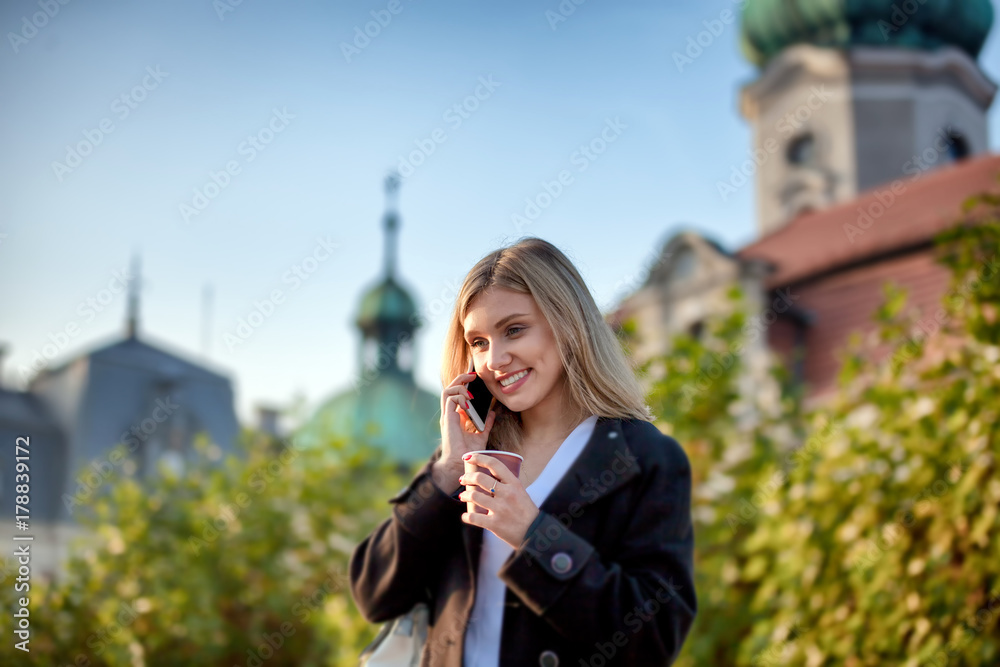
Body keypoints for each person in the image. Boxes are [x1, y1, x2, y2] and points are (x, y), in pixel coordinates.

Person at [349, 237, 697, 666]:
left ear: (568, 324)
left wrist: (535, 536)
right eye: (477, 342)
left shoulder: (645, 459)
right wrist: (445, 474)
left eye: (514, 329)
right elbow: (374, 594)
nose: (494, 359)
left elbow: (655, 639)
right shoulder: (468, 457)